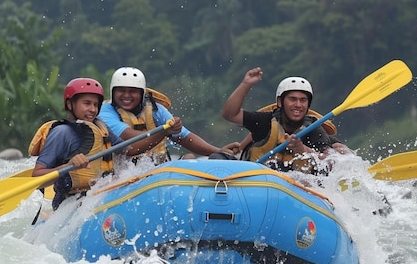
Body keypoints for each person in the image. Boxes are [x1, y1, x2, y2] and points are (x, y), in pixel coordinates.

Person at [222, 67, 351, 174]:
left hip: (297, 187)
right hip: (258, 182)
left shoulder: (314, 129)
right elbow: (230, 114)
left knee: (338, 149)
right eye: (292, 99)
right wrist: (246, 85)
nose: (298, 105)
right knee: (218, 157)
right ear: (279, 102)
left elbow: (328, 162)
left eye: (303, 100)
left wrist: (302, 149)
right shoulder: (264, 121)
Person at [98, 66, 239, 164]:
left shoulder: (155, 109)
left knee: (189, 158)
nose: (126, 95)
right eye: (121, 90)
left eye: (133, 91)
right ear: (113, 92)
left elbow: (184, 137)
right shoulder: (105, 112)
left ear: (142, 93)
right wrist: (164, 132)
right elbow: (127, 138)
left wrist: (219, 151)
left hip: (156, 169)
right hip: (124, 173)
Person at [29, 78, 119, 210]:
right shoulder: (61, 133)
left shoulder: (101, 127)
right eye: (87, 103)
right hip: (70, 204)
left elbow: (129, 149)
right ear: (70, 104)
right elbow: (37, 177)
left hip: (102, 194)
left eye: (96, 105)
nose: (93, 109)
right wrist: (68, 166)